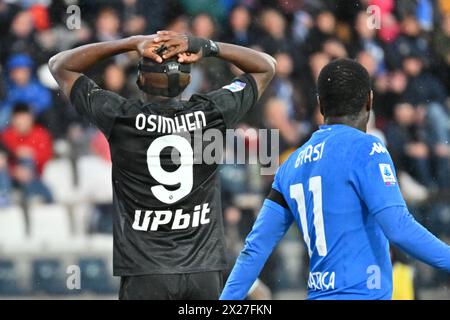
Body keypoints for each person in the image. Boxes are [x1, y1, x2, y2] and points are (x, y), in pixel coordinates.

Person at [48, 30, 275, 300]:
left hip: (146, 273)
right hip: (203, 272)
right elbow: (266, 67)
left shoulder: (122, 118)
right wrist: (206, 45)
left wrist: (129, 43)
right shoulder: (212, 113)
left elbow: (60, 65)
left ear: (141, 80)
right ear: (187, 80)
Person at [220, 59, 450, 300]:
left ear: (320, 104)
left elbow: (255, 249)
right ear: (369, 100)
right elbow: (399, 228)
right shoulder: (368, 148)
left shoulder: (290, 165)